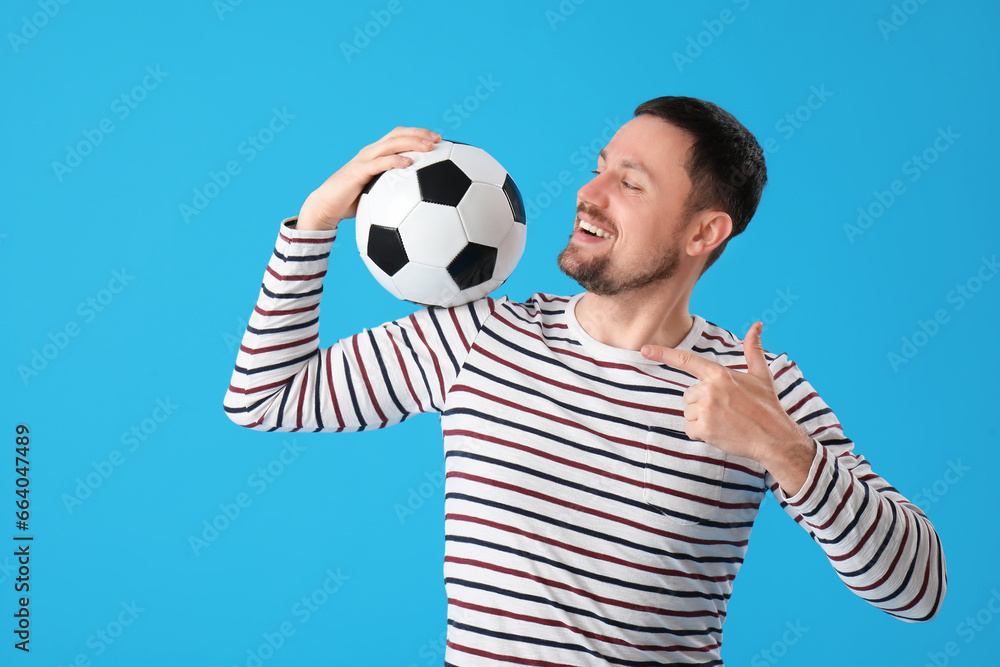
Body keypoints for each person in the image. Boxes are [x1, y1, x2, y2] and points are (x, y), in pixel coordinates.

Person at [224, 96, 946, 665]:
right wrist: (315, 221)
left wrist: (788, 454)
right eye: (600, 166)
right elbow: (266, 394)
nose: (589, 192)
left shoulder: (756, 391)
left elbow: (919, 590)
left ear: (704, 233)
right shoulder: (479, 337)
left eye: (629, 182)